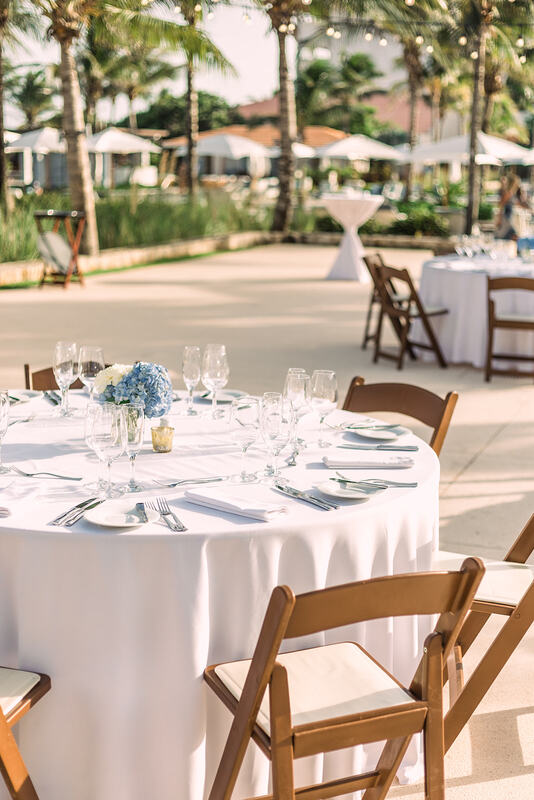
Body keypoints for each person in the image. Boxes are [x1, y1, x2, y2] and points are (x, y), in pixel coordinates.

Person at [495, 172, 531, 240]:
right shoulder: (508, 193)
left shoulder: (511, 193)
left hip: (510, 217)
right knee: (511, 236)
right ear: (513, 183)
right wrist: (499, 219)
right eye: (517, 183)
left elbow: (517, 203)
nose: (518, 185)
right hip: (506, 218)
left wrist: (528, 208)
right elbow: (500, 206)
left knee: (512, 236)